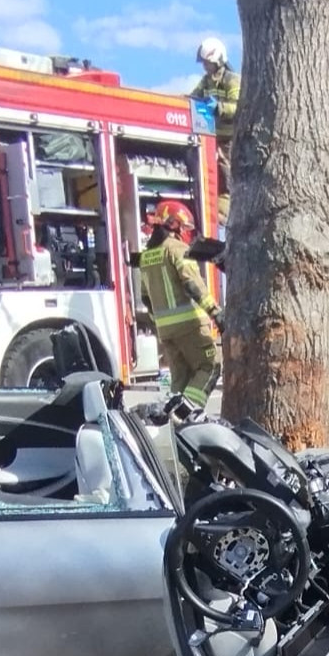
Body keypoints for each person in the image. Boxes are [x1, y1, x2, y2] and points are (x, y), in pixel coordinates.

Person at [137, 200, 222, 410]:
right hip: (190, 326)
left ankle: (174, 425)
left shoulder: (146, 256)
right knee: (210, 367)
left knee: (180, 380)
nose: (186, 233)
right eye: (184, 228)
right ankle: (187, 414)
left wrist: (160, 323)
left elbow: (146, 297)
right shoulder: (178, 249)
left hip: (166, 332)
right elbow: (193, 285)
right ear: (174, 225)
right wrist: (216, 313)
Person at [191, 37, 240, 225]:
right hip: (212, 137)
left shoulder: (232, 80)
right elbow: (194, 96)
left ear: (217, 60)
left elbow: (239, 107)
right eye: (203, 63)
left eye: (207, 63)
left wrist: (219, 107)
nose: (205, 66)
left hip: (229, 138)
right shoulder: (206, 81)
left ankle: (227, 210)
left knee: (227, 175)